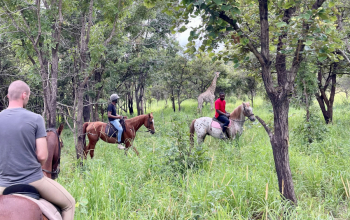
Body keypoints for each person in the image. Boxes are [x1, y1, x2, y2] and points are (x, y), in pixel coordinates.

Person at [0, 80, 75, 220]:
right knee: (69, 204)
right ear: (24, 95)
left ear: (8, 96)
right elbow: (41, 155)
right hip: (32, 180)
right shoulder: (36, 119)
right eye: (28, 95)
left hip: (2, 183)